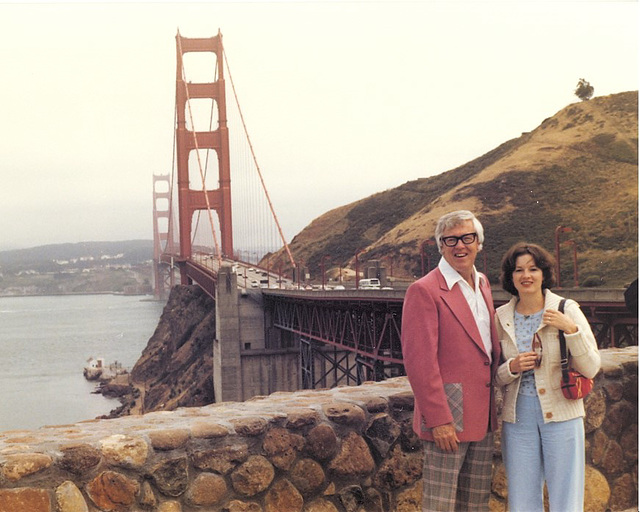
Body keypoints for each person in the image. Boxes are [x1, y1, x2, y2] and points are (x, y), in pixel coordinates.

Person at [401, 210, 501, 511]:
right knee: (440, 506)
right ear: (440, 246)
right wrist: (439, 421)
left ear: (478, 243)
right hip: (448, 418)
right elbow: (420, 363)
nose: (460, 246)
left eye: (467, 238)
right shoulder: (424, 290)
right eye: (451, 240)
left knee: (475, 504)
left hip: (482, 415)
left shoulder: (482, 283)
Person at [494, 242, 601, 511]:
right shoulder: (500, 316)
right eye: (518, 270)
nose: (526, 275)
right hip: (518, 418)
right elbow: (494, 376)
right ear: (511, 277)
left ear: (544, 274)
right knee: (521, 498)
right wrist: (512, 367)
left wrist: (571, 329)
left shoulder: (566, 309)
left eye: (533, 268)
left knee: (566, 496)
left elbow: (591, 367)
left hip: (563, 413)